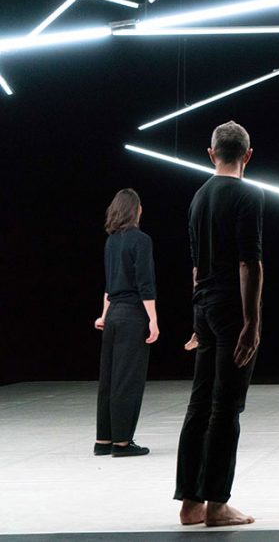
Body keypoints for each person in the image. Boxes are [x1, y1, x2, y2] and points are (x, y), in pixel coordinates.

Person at [175, 121, 263, 527]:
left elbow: (196, 267)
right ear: (247, 155)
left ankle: (190, 503)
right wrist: (251, 321)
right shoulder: (248, 195)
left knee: (200, 403)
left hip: (204, 305)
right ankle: (217, 504)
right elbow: (249, 262)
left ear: (211, 154)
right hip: (230, 307)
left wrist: (197, 315)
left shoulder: (197, 197)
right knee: (226, 407)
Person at [93, 188, 159, 458]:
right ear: (135, 209)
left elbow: (109, 287)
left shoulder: (111, 242)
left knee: (108, 379)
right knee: (128, 380)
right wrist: (153, 320)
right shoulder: (141, 240)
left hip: (113, 317)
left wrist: (103, 316)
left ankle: (103, 440)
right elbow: (145, 284)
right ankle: (122, 442)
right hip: (132, 315)